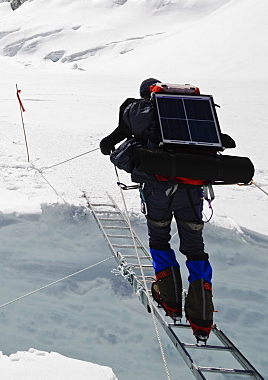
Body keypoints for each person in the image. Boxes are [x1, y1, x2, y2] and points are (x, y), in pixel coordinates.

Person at [100, 77, 215, 341]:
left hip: (157, 189)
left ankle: (170, 299)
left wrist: (108, 146)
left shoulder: (136, 113)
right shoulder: (192, 114)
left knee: (160, 239)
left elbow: (112, 140)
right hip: (191, 189)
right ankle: (202, 318)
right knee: (195, 248)